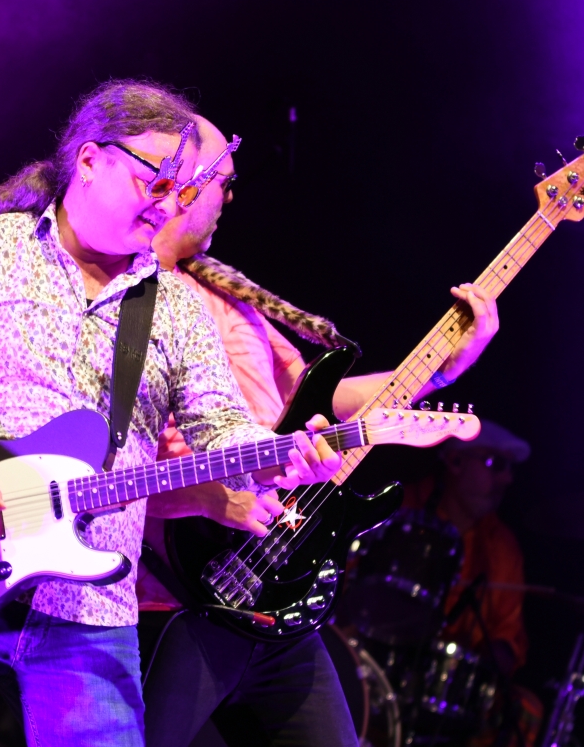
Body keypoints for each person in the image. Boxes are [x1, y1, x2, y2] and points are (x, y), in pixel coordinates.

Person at [0, 81, 343, 747]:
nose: (169, 205)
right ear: (90, 160)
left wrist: (281, 456)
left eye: (182, 191)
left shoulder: (178, 308)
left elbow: (221, 428)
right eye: (155, 181)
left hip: (87, 613)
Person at [137, 115, 502, 747]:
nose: (230, 197)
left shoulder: (229, 299)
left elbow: (320, 395)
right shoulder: (123, 297)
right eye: (224, 181)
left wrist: (442, 368)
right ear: (185, 183)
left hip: (271, 589)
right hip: (174, 595)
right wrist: (209, 497)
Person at [399, 419, 542, 747]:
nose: (507, 479)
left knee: (526, 710)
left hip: (451, 683)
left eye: (509, 469)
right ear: (456, 461)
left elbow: (508, 638)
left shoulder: (503, 546)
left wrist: (491, 665)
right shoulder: (402, 506)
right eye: (496, 464)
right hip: (382, 653)